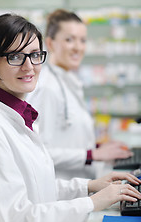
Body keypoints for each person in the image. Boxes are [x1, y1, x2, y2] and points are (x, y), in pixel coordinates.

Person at [0, 13, 141, 222]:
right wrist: (91, 202)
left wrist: (89, 186)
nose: (29, 66)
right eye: (15, 56)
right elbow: (15, 221)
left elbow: (39, 188)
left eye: (35, 55)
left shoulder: (20, 117)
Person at [26, 9, 133, 180]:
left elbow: (67, 140)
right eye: (69, 40)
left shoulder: (67, 81)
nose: (78, 47)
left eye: (82, 40)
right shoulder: (46, 88)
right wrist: (92, 154)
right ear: (51, 44)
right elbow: (39, 152)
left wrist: (99, 147)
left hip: (81, 187)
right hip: (61, 193)